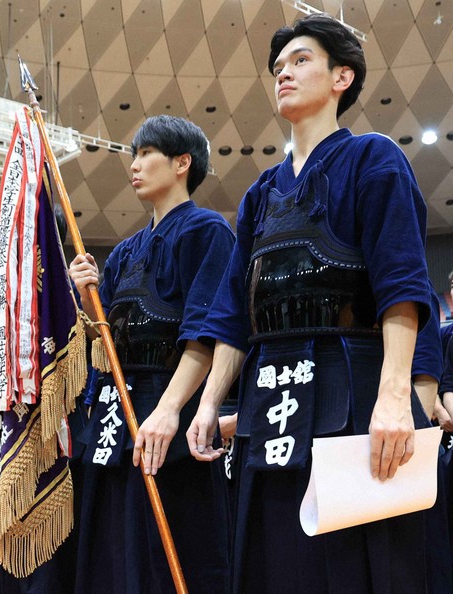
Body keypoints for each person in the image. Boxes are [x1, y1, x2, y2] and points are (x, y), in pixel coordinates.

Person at [186, 14, 434, 593]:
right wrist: (207, 403)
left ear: (342, 76)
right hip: (267, 398)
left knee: (358, 563)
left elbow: (403, 284)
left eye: (300, 61)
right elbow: (231, 314)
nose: (283, 75)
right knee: (271, 562)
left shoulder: (374, 158)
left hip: (353, 393)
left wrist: (395, 396)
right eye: (277, 68)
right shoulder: (258, 195)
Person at [68, 115, 235, 593]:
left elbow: (206, 334)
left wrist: (168, 412)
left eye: (146, 154)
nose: (134, 166)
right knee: (113, 551)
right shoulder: (124, 252)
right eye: (134, 155)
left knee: (174, 554)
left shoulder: (207, 231)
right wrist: (87, 298)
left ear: (182, 163)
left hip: (169, 411)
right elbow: (106, 344)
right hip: (116, 414)